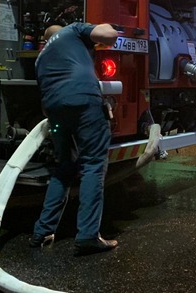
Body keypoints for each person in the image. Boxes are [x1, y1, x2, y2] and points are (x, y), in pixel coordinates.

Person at [30, 22, 120, 256]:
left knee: (64, 167)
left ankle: (42, 231)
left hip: (54, 110)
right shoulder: (72, 30)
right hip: (83, 101)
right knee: (93, 164)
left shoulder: (40, 59)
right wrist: (108, 26)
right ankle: (88, 235)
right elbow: (108, 36)